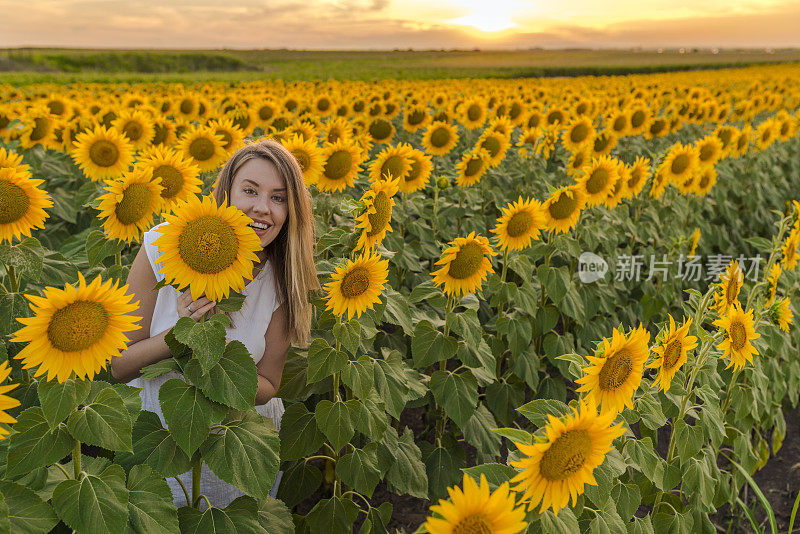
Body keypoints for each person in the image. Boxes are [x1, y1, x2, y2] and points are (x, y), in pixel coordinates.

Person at [111, 139, 319, 508]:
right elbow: (119, 366)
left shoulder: (282, 277)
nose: (261, 208)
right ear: (227, 192)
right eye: (250, 190)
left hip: (238, 444)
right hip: (164, 439)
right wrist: (180, 336)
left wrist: (214, 352)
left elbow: (268, 384)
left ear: (291, 210)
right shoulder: (165, 246)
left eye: (279, 197)